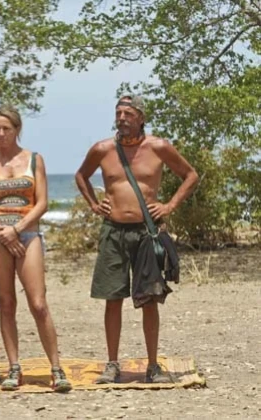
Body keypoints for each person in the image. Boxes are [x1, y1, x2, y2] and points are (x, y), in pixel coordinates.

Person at [75, 95, 199, 384]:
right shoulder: (103, 149)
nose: (122, 118)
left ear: (141, 118)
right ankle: (112, 364)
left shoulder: (158, 147)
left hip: (147, 232)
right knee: (113, 298)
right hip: (113, 231)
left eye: (128, 114)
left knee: (149, 298)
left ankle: (153, 366)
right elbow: (81, 176)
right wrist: (94, 204)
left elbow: (190, 175)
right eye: (118, 113)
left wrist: (169, 206)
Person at [0, 105, 72, 392]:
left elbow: (42, 203)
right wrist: (0, 230)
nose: (1, 133)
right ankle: (14, 367)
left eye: (7, 128)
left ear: (17, 129)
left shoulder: (34, 159)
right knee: (6, 303)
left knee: (38, 303)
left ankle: (56, 368)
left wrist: (16, 229)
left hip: (27, 235)